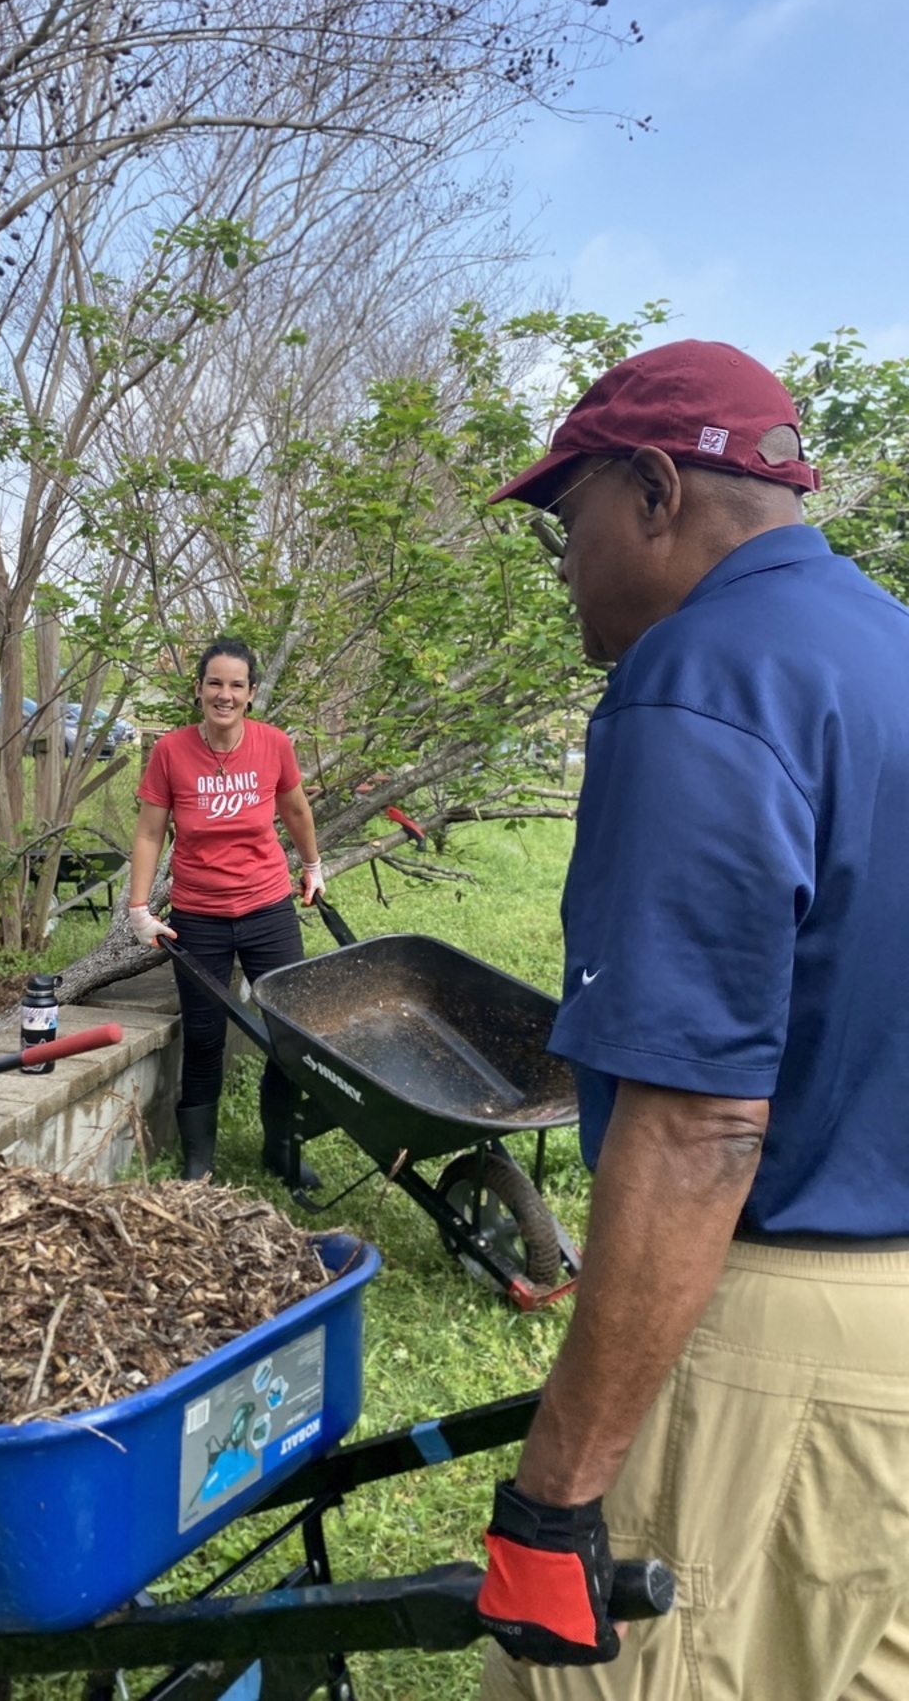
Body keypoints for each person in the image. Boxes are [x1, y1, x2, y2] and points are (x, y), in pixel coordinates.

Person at [472, 340, 909, 1701]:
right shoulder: (886, 643)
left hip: (772, 1332)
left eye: (569, 520)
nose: (563, 567)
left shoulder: (701, 678)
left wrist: (556, 1497)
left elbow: (699, 1124)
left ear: (656, 490)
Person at [128, 637, 326, 1187]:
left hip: (267, 907)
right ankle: (199, 1159)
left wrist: (311, 866)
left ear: (252, 693)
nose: (225, 694)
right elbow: (149, 832)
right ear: (198, 690)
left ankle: (281, 1149)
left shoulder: (273, 745)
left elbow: (295, 808)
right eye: (215, 682)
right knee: (205, 1035)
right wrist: (139, 907)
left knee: (291, 1030)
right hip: (199, 915)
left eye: (236, 685)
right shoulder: (170, 751)